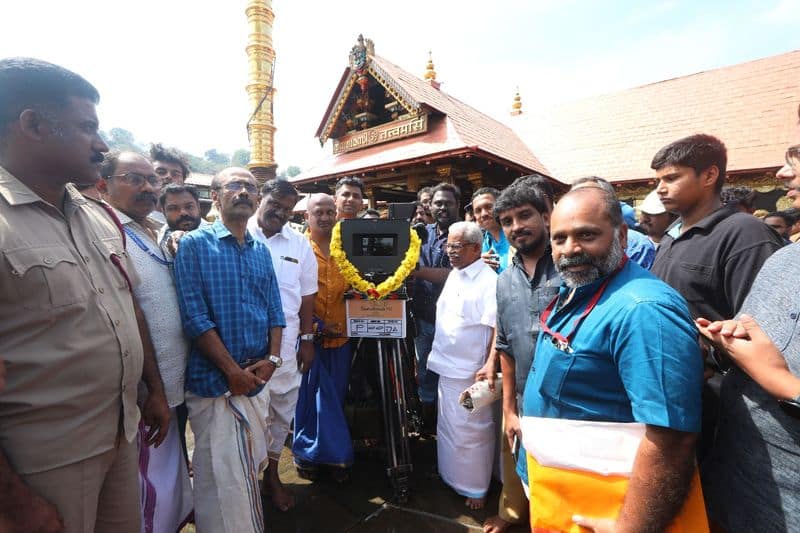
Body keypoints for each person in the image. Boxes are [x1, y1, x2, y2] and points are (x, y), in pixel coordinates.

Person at [0, 57, 169, 533]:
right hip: (42, 464)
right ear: (32, 123)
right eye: (87, 127)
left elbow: (128, 308)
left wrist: (152, 389)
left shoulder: (96, 215)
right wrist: (14, 504)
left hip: (119, 433)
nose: (102, 144)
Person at [518, 186, 704, 533]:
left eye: (586, 235)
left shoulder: (643, 309)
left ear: (621, 234)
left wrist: (630, 528)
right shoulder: (580, 285)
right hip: (555, 483)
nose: (570, 249)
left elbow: (672, 438)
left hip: (605, 502)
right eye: (559, 239)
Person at [694, 104, 800, 532]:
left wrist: (784, 384)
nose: (782, 173)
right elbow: (749, 345)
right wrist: (726, 344)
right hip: (736, 490)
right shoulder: (784, 262)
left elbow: (772, 370)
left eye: (796, 155)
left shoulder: (748, 238)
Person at [649, 134, 784, 463]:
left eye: (671, 178)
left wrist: (713, 357)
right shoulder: (670, 239)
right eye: (657, 181)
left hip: (720, 401)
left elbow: (766, 329)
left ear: (709, 176)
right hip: (668, 391)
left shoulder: (745, 235)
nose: (661, 189)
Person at [173, 167, 286, 533]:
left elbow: (275, 310)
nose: (243, 192)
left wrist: (271, 360)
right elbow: (194, 317)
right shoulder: (195, 245)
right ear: (216, 197)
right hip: (214, 383)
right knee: (221, 479)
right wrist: (231, 372)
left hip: (255, 381)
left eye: (250, 187)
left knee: (247, 471)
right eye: (234, 185)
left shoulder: (261, 251)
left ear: (256, 200)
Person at [97, 151, 193, 531]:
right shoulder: (105, 228)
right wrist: (150, 387)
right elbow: (132, 313)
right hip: (145, 390)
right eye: (134, 179)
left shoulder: (149, 227)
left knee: (166, 478)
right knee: (144, 490)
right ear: (104, 186)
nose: (150, 188)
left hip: (170, 383)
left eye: (152, 180)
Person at [479, 181, 560, 533]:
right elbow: (507, 347)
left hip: (565, 397)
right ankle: (512, 514)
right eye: (507, 220)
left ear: (546, 216)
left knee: (559, 475)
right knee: (514, 454)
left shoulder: (570, 271)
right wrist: (509, 409)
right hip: (522, 392)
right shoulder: (505, 279)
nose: (516, 227)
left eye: (524, 216)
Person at [247, 179, 317, 511]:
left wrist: (306, 339)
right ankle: (246, 480)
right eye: (275, 203)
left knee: (281, 413)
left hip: (288, 347)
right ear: (261, 197)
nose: (281, 212)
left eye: (288, 209)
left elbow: (307, 296)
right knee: (248, 418)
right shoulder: (237, 234)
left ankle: (271, 475)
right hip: (243, 349)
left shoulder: (299, 244)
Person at [427, 222, 498, 510]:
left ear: (476, 248)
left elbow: (496, 327)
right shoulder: (456, 274)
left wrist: (490, 362)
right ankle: (452, 476)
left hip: (471, 371)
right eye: (449, 245)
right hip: (447, 367)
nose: (450, 251)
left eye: (457, 246)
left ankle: (476, 488)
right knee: (449, 427)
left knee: (473, 430)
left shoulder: (488, 280)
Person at [292, 193, 354, 482]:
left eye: (331, 211)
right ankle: (307, 456)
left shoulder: (346, 248)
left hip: (341, 340)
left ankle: (331, 456)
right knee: (308, 402)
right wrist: (316, 326)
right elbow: (291, 296)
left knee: (334, 400)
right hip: (308, 339)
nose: (326, 217)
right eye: (320, 212)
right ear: (306, 216)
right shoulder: (297, 248)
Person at [411, 182, 460, 424]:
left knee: (452, 371)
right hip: (424, 316)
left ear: (457, 205)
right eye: (437, 203)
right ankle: (428, 418)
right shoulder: (421, 233)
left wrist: (417, 271)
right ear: (429, 205)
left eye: (448, 203)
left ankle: (450, 419)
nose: (442, 207)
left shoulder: (465, 234)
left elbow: (455, 272)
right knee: (425, 368)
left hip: (454, 319)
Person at [570, 176, 655, 269]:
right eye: (574, 198)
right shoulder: (564, 245)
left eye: (588, 197)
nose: (580, 204)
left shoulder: (638, 245)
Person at [472, 187, 511, 272]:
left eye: (489, 207)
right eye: (478, 210)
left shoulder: (515, 235)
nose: (484, 214)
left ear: (501, 206)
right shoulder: (481, 243)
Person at [157, 183, 204, 250]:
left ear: (198, 207)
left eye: (189, 206)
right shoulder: (156, 240)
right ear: (164, 212)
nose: (183, 213)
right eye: (173, 208)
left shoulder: (216, 236)